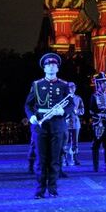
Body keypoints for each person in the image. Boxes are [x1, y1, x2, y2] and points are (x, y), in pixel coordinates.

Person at [24, 53, 73, 199]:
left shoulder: (64, 85)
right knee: (41, 158)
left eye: (54, 65)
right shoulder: (37, 84)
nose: (51, 66)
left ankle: (52, 189)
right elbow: (28, 104)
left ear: (57, 68)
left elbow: (70, 104)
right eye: (48, 65)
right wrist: (31, 116)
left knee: (55, 159)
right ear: (44, 68)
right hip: (41, 125)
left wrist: (63, 110)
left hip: (58, 124)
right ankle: (40, 190)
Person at [90, 72, 106, 172]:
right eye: (103, 83)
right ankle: (95, 166)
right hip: (99, 123)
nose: (105, 85)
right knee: (96, 144)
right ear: (99, 84)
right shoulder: (94, 96)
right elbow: (91, 110)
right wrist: (103, 110)